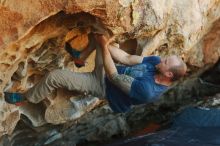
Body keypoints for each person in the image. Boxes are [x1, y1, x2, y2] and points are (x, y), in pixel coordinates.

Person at [4, 34, 187, 113]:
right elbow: (128, 58)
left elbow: (114, 75)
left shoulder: (147, 91)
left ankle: (26, 98)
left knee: (54, 77)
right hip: (109, 72)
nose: (161, 59)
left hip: (103, 86)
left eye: (166, 62)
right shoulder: (156, 63)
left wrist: (104, 46)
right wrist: (104, 42)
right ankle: (80, 58)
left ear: (169, 75)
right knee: (100, 33)